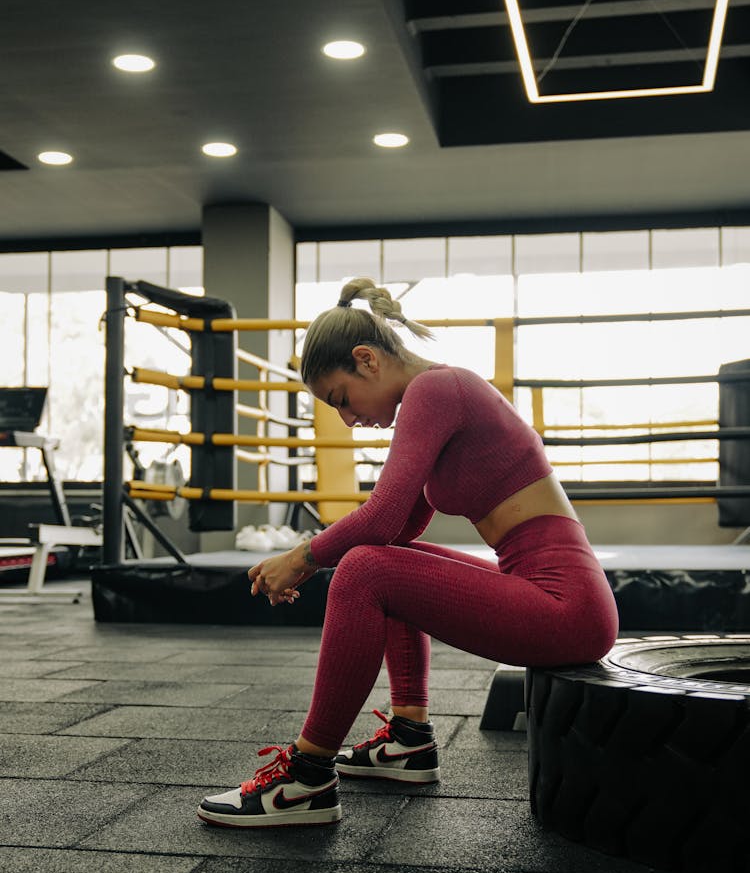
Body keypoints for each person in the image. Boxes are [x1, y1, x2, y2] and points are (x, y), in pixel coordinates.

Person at [197, 277, 619, 828]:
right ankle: (409, 739)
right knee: (382, 559)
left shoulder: (438, 390)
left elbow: (381, 514)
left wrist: (298, 558)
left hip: (566, 606)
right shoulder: (438, 398)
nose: (348, 420)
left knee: (365, 570)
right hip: (558, 599)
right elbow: (392, 530)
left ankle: (306, 776)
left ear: (367, 360)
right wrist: (322, 553)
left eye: (342, 400)